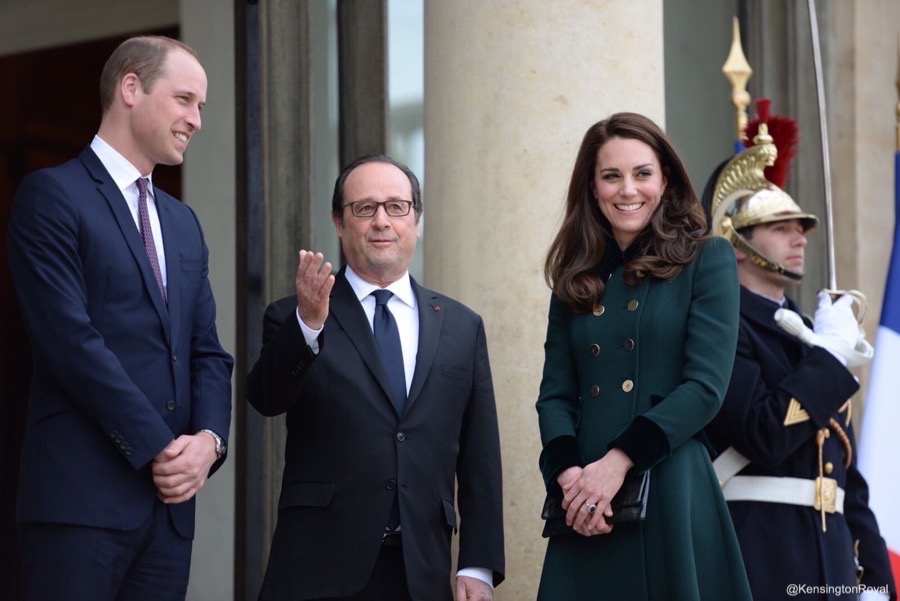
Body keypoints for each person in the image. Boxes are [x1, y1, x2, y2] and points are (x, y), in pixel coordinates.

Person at [6, 36, 234, 600]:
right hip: (78, 507)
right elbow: (70, 343)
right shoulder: (51, 196)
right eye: (185, 99)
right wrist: (160, 447)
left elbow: (206, 350)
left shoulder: (183, 224)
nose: (196, 120)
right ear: (131, 87)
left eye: (201, 106)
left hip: (167, 517)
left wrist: (209, 443)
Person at [246, 154, 505, 601]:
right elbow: (267, 397)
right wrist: (309, 325)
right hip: (317, 568)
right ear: (339, 223)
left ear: (417, 222)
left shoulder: (462, 326)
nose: (382, 221)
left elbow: (480, 456)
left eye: (396, 207)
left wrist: (478, 564)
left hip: (420, 569)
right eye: (364, 208)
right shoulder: (295, 315)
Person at [535, 112, 752, 600]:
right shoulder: (575, 278)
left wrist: (619, 463)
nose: (627, 189)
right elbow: (554, 397)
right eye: (611, 176)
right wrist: (571, 478)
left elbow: (705, 388)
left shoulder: (707, 260)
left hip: (669, 484)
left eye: (642, 173)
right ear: (592, 188)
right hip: (585, 499)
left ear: (666, 180)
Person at [704, 106, 896, 601]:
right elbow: (763, 434)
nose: (799, 238)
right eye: (780, 226)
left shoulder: (811, 336)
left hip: (831, 567)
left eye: (802, 227)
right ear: (739, 243)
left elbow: (847, 479)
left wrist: (875, 582)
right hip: (761, 555)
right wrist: (830, 361)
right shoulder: (721, 327)